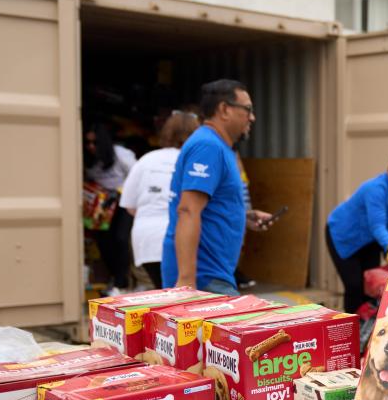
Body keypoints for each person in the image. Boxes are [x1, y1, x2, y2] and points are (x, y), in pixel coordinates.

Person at [161, 80, 271, 296]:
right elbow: (188, 210)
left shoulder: (219, 147)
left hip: (213, 275)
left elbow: (208, 205)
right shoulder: (208, 146)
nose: (252, 117)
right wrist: (187, 282)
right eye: (247, 109)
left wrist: (242, 216)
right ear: (224, 109)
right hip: (204, 279)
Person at [326, 154, 388, 313]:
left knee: (371, 284)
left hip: (371, 241)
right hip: (345, 236)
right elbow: (377, 226)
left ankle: (366, 327)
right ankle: (352, 329)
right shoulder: (376, 189)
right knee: (354, 286)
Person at [119, 110, 200, 289]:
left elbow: (129, 206)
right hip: (182, 239)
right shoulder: (195, 162)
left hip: (146, 240)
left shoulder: (146, 160)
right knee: (185, 301)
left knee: (162, 294)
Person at [84, 122, 136, 295]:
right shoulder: (87, 159)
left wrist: (120, 192)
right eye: (88, 143)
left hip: (124, 202)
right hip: (101, 205)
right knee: (103, 241)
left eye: (95, 143)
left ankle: (122, 283)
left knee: (121, 238)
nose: (91, 147)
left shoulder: (121, 155)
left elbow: (137, 175)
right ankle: (115, 279)